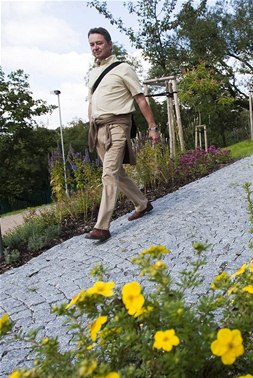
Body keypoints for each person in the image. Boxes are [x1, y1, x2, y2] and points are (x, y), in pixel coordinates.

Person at [85, 27, 160, 241]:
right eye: (91, 44)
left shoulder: (123, 68)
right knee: (118, 173)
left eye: (99, 43)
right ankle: (142, 204)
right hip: (97, 129)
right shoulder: (93, 73)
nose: (95, 47)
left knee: (108, 173)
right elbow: (91, 99)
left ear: (109, 44)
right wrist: (90, 117)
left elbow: (140, 98)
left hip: (118, 125)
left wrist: (152, 128)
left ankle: (102, 226)